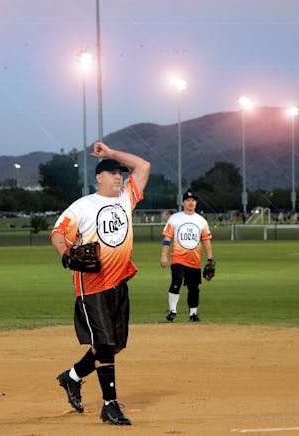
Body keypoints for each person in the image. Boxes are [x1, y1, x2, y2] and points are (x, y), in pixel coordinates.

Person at [49, 141, 150, 426]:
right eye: (111, 172)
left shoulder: (126, 198)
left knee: (113, 345)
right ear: (99, 177)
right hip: (92, 284)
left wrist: (111, 154)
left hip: (119, 281)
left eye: (120, 172)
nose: (119, 176)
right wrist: (66, 255)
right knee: (104, 344)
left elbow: (143, 166)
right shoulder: (82, 206)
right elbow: (58, 233)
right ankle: (110, 405)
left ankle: (71, 377)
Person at [160, 189, 214, 322]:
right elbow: (168, 237)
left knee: (194, 287)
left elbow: (206, 240)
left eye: (193, 201)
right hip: (178, 257)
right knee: (177, 280)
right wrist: (164, 255)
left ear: (196, 203)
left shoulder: (201, 221)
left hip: (194, 259)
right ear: (183, 202)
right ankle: (172, 310)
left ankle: (193, 314)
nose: (191, 203)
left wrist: (210, 258)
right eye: (188, 200)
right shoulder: (175, 218)